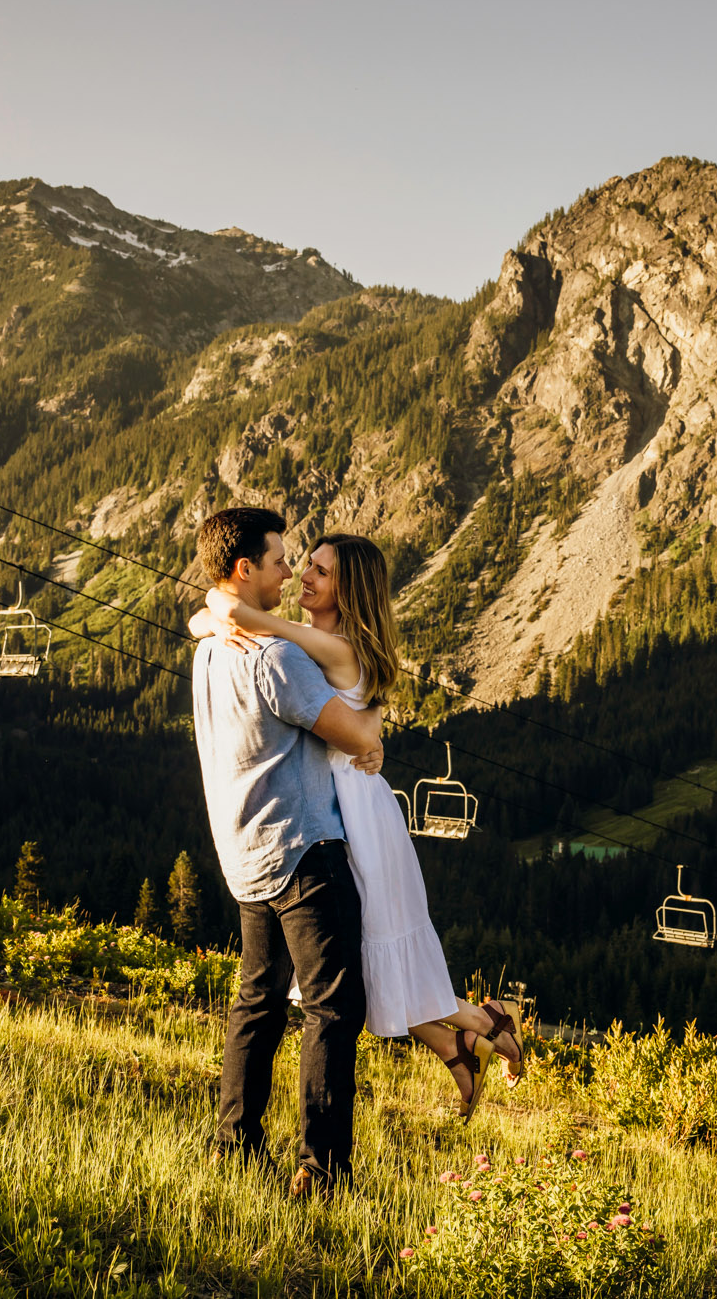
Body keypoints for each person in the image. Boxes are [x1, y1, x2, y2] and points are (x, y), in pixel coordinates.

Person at [194, 531, 525, 1118]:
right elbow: (219, 621)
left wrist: (223, 616)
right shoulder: (336, 645)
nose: (304, 577)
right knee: (361, 962)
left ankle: (478, 1026)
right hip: (339, 809)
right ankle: (467, 1036)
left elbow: (232, 613)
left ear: (348, 590)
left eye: (320, 571)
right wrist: (215, 623)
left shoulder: (332, 646)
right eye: (306, 566)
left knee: (360, 962)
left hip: (353, 822)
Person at [188, 507, 384, 1198]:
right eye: (278, 561)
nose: (289, 571)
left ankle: (233, 1143)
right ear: (246, 569)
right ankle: (321, 1168)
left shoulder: (209, 649)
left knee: (259, 1001)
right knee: (332, 1009)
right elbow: (354, 737)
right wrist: (374, 729)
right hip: (304, 851)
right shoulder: (276, 659)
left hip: (243, 853)